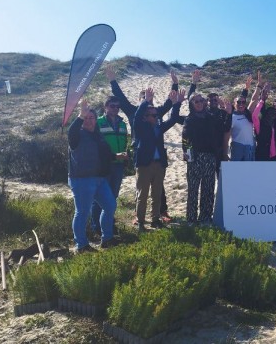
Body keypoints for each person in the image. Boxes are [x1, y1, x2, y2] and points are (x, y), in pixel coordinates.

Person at [106, 64, 195, 223]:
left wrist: (175, 84)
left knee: (159, 189)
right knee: (141, 189)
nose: (149, 102)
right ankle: (138, 216)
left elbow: (171, 103)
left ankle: (161, 212)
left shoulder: (156, 112)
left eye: (151, 99)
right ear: (140, 100)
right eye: (145, 98)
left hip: (158, 157)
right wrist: (112, 80)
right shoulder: (133, 111)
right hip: (141, 155)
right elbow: (120, 96)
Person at [67, 99, 125, 253]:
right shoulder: (77, 135)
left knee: (110, 205)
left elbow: (105, 155)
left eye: (92, 118)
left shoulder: (98, 135)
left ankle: (107, 239)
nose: (89, 121)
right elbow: (70, 132)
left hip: (100, 179)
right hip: (82, 179)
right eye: (86, 118)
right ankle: (82, 245)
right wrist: (80, 115)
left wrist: (116, 156)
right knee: (82, 212)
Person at [132, 88, 185, 231]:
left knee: (157, 194)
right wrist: (145, 101)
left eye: (156, 115)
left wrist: (178, 103)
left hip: (159, 165)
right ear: (145, 116)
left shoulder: (159, 128)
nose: (156, 117)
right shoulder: (140, 127)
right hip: (144, 166)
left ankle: (155, 219)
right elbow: (136, 117)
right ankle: (141, 222)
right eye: (152, 115)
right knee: (142, 195)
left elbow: (173, 119)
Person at [183, 93, 232, 223]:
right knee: (193, 189)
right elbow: (185, 139)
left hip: (210, 157)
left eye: (201, 101)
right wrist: (187, 154)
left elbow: (225, 128)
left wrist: (228, 114)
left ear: (205, 103)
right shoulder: (190, 119)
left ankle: (205, 217)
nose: (199, 103)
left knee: (208, 189)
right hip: (195, 157)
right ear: (192, 104)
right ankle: (191, 219)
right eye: (196, 102)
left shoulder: (211, 117)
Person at [90, 95, 128, 236]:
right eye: (112, 106)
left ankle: (109, 225)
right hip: (103, 166)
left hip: (118, 165)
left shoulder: (122, 123)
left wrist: (126, 153)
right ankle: (96, 228)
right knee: (99, 197)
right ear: (105, 107)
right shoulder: (98, 122)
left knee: (112, 197)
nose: (116, 109)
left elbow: (125, 142)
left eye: (118, 106)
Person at [229, 74, 262, 161]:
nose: (241, 104)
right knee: (237, 172)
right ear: (234, 104)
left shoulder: (248, 113)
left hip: (250, 147)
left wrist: (259, 86)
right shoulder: (231, 116)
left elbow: (254, 99)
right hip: (237, 147)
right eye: (238, 102)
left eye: (243, 102)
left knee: (249, 172)